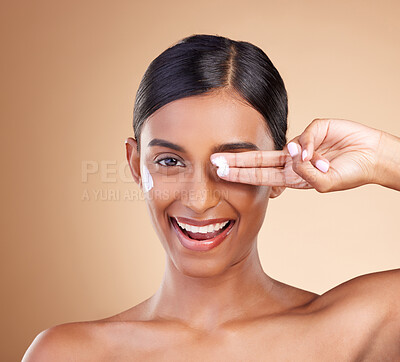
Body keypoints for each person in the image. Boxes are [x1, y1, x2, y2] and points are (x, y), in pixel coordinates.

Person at [22, 34, 400, 361]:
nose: (200, 201)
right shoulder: (68, 353)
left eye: (234, 164)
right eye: (169, 161)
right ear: (137, 166)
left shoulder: (353, 330)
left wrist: (383, 155)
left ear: (281, 171)